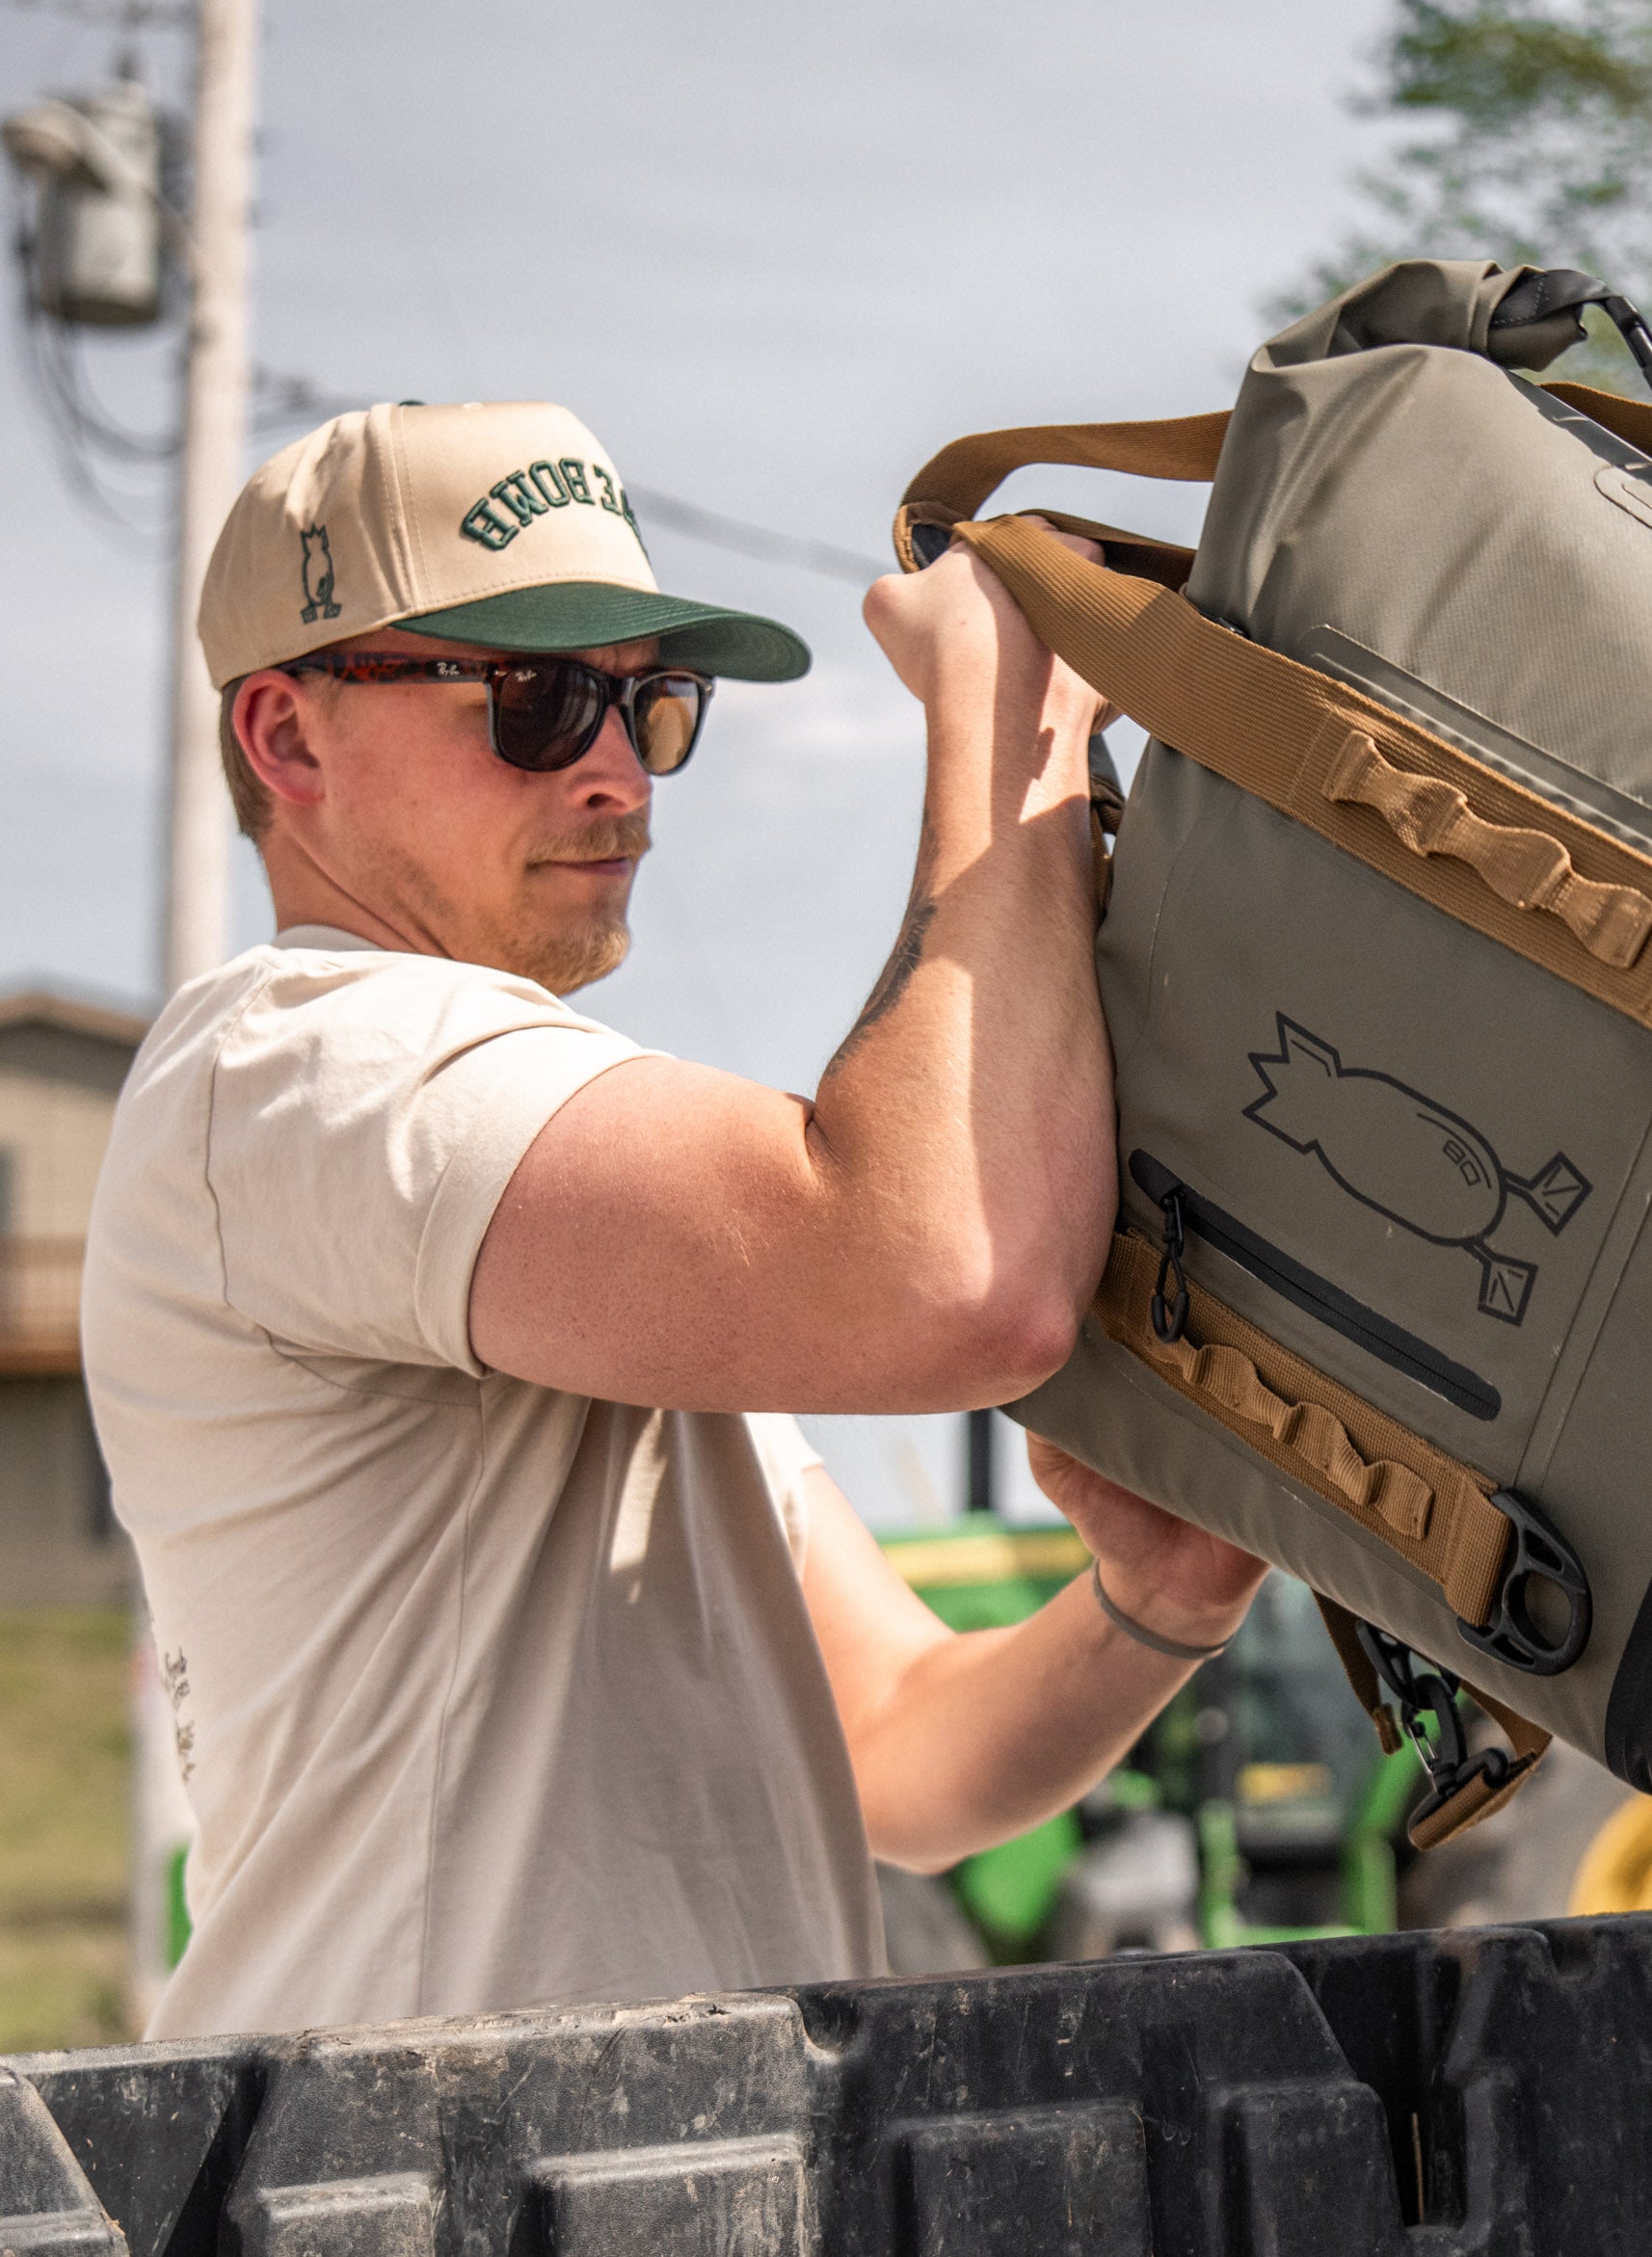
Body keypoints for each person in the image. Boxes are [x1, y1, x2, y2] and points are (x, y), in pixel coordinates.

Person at [81, 399, 1265, 2039]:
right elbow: (956, 1281)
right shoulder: (301, 1062)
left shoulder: (542, 1216)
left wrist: (1158, 1607)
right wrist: (1016, 728)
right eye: (538, 699)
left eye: (653, 703)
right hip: (431, 2185)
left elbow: (900, 1752)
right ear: (288, 739)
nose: (622, 772)